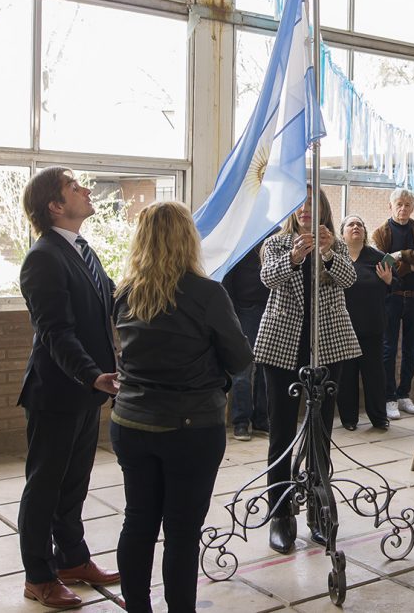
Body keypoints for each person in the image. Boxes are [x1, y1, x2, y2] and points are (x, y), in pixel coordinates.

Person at [111, 202, 253, 613]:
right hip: (191, 428)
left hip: (131, 421)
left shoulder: (124, 293)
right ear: (189, 239)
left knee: (137, 521)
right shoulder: (207, 293)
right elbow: (240, 359)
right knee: (182, 533)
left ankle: (137, 607)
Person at [17, 167, 121, 609]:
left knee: (74, 483)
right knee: (45, 486)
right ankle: (38, 575)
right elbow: (56, 331)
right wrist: (91, 374)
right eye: (73, 186)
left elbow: (110, 303)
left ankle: (72, 559)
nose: (85, 189)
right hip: (58, 392)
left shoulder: (81, 249)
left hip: (85, 390)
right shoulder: (43, 257)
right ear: (55, 206)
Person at [254, 187, 361, 554]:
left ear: (323, 209)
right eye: (299, 203)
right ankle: (281, 515)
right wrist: (295, 259)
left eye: (312, 203)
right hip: (282, 345)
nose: (304, 209)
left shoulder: (338, 246)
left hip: (328, 346)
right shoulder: (276, 244)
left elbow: (349, 280)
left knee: (320, 434)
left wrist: (328, 252)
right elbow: (267, 278)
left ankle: (318, 509)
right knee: (280, 433)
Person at [372, 188, 414, 420]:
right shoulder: (379, 234)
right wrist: (412, 263)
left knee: (410, 350)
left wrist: (402, 255)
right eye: (399, 204)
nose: (403, 208)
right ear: (390, 206)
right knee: (388, 349)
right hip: (391, 298)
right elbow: (383, 266)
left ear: (413, 208)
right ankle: (389, 398)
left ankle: (404, 394)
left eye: (407, 204)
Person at [338, 215, 392, 431]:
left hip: (372, 326)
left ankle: (379, 418)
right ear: (342, 233)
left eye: (359, 224)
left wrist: (389, 280)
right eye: (350, 224)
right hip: (343, 328)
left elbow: (394, 283)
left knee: (374, 375)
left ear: (365, 231)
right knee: (346, 376)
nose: (355, 227)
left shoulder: (379, 257)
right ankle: (348, 419)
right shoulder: (335, 258)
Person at [222, 243, 271, 441]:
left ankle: (261, 421)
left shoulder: (274, 236)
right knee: (243, 370)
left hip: (271, 310)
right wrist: (231, 313)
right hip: (245, 311)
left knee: (266, 369)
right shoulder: (242, 240)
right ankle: (241, 422)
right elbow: (228, 280)